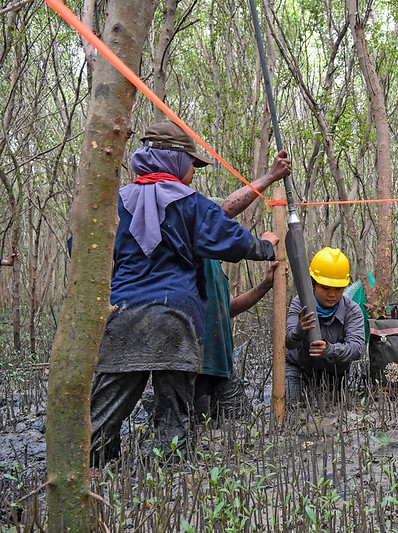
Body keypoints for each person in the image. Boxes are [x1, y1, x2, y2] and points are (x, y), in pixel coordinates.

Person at [90, 119, 279, 465]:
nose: (194, 171)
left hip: (121, 317)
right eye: (192, 163)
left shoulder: (113, 204)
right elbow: (234, 240)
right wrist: (265, 245)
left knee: (103, 412)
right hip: (174, 320)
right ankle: (167, 473)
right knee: (174, 415)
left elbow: (83, 252)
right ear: (176, 162)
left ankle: (93, 470)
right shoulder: (191, 203)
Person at [195, 150, 290, 420]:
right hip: (196, 368)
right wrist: (271, 177)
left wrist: (264, 286)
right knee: (191, 435)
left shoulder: (214, 264)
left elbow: (228, 309)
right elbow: (223, 209)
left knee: (239, 425)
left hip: (222, 366)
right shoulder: (190, 257)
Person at [285, 247, 365, 406]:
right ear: (313, 285)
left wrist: (330, 350)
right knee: (293, 412)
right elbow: (288, 342)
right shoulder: (299, 304)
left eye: (338, 288)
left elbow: (356, 349)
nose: (332, 294)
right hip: (299, 369)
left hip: (335, 374)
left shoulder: (353, 311)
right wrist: (300, 330)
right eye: (325, 288)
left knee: (335, 413)